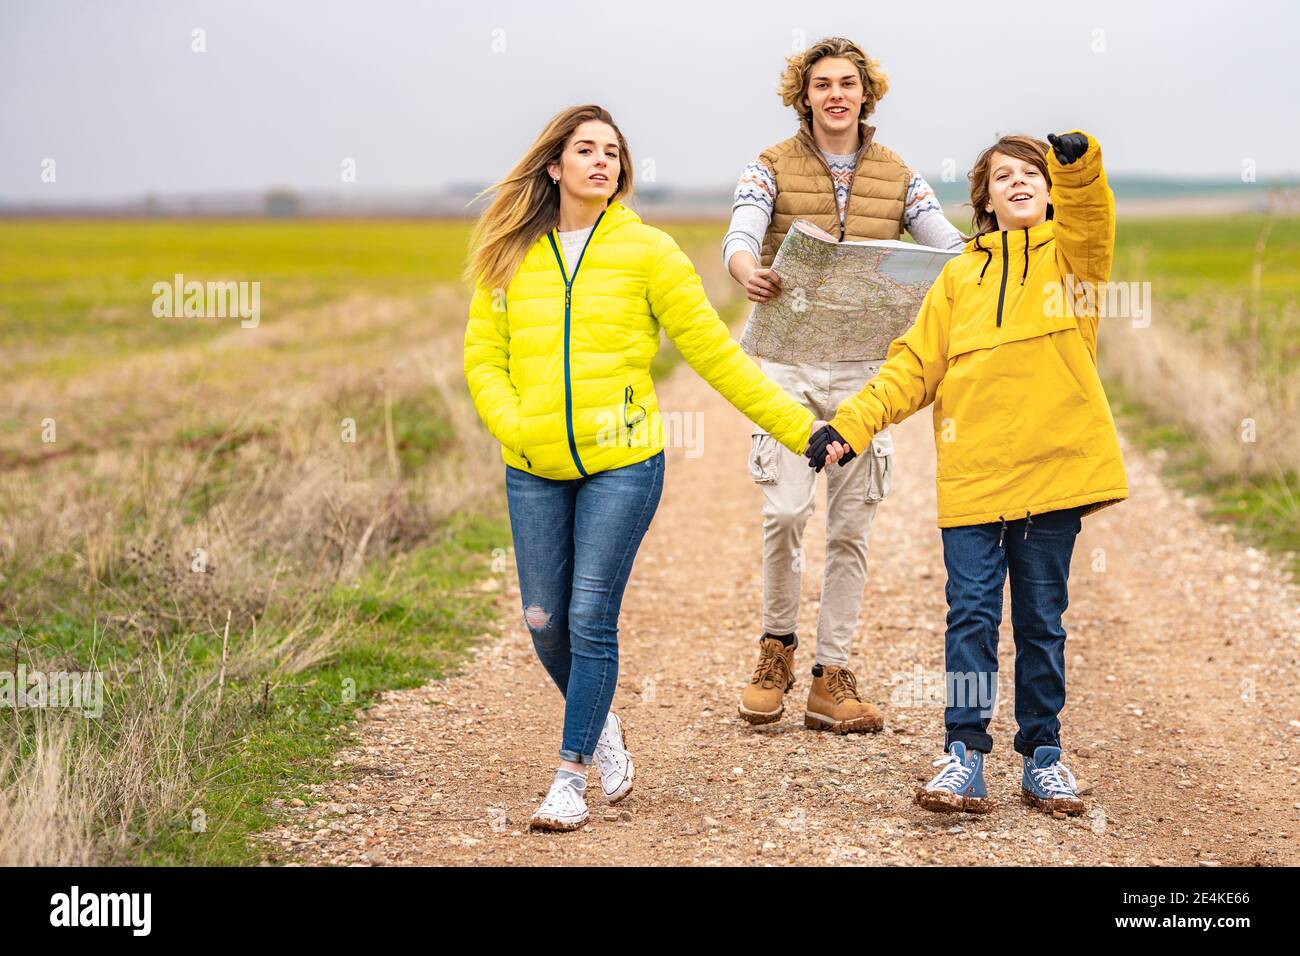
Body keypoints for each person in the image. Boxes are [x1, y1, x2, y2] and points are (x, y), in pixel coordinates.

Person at [463, 104, 820, 832]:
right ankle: (601, 725)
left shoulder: (648, 251)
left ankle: (569, 777)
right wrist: (514, 425)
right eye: (586, 150)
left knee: (590, 617)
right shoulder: (510, 253)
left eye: (613, 154)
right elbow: (483, 358)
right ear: (555, 166)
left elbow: (717, 356)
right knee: (542, 621)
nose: (602, 162)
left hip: (623, 463)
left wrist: (801, 428)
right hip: (531, 464)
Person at [808, 130, 1127, 815]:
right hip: (974, 479)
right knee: (972, 618)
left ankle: (1044, 756)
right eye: (1002, 175)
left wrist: (1078, 165)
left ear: (1048, 190)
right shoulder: (958, 277)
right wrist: (849, 425)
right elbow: (911, 368)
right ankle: (963, 755)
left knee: (1042, 621)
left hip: (1053, 474)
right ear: (982, 198)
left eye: (1031, 174)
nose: (1019, 182)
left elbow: (1093, 218)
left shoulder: (1073, 263)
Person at [727, 37, 965, 733]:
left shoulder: (900, 174)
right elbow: (741, 233)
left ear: (867, 94)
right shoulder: (768, 166)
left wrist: (993, 252)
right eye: (822, 84)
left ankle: (832, 676)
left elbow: (944, 243)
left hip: (868, 371)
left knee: (852, 526)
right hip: (786, 367)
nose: (836, 94)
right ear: (804, 95)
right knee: (786, 510)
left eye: (848, 84)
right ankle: (776, 648)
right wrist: (745, 269)